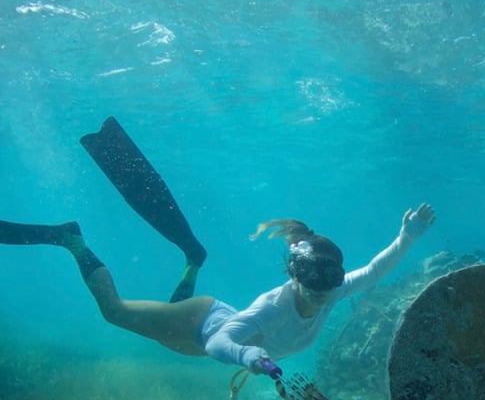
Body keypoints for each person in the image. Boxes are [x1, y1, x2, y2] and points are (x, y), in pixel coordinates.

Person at [1, 118, 435, 380]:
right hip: (203, 323)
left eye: (332, 279)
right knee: (114, 312)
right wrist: (247, 354)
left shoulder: (332, 289)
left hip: (200, 337)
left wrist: (408, 237)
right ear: (293, 275)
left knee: (167, 344)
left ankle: (192, 262)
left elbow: (376, 270)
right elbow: (220, 342)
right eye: (313, 280)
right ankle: (71, 239)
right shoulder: (271, 308)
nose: (323, 290)